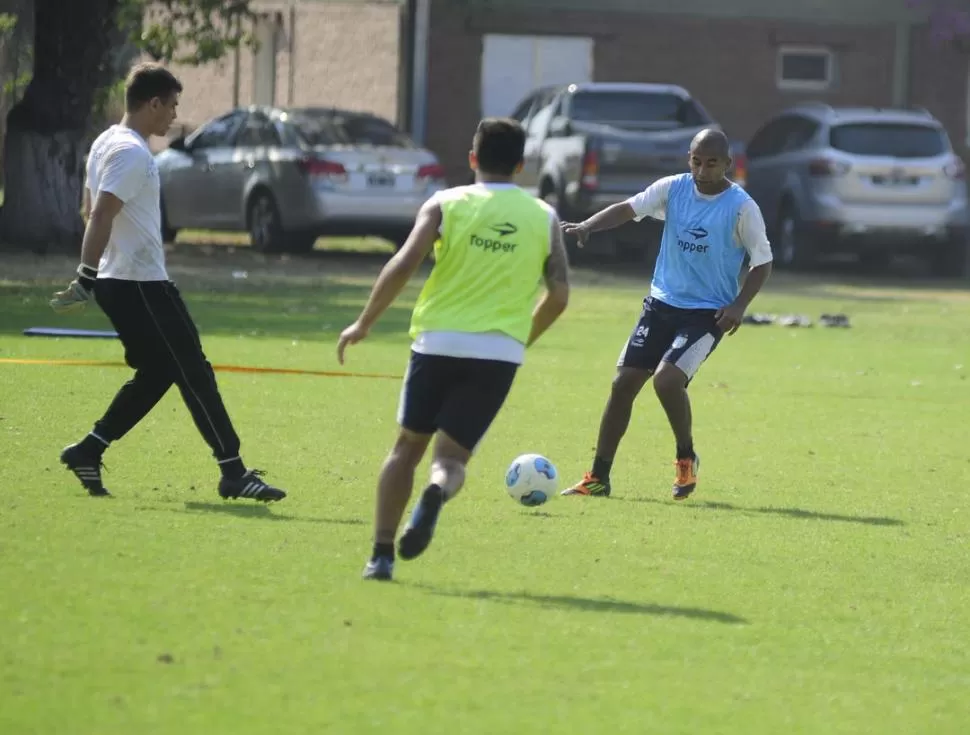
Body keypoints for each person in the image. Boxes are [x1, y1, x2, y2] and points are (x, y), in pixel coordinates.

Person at [337, 117, 570, 581]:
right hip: (498, 355)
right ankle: (437, 493)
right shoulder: (543, 216)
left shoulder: (445, 203)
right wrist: (519, 338)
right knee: (450, 462)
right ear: (521, 166)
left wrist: (364, 322)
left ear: (471, 159)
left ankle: (380, 556)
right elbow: (560, 295)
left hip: (437, 342)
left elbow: (404, 262)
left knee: (406, 449)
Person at [50, 62, 286, 503]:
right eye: (171, 105)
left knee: (160, 370)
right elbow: (99, 214)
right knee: (194, 371)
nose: (174, 116)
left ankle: (89, 449)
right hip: (140, 283)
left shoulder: (105, 142)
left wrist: (95, 274)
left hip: (122, 281)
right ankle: (233, 472)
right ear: (152, 103)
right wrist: (85, 274)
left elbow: (89, 210)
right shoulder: (131, 152)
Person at [560, 128, 772, 500]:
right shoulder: (673, 188)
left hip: (707, 314)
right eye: (696, 161)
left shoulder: (742, 207)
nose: (702, 170)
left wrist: (739, 305)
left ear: (728, 164)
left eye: (711, 163)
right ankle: (598, 477)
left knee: (667, 381)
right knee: (623, 383)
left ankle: (685, 458)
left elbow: (763, 262)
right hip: (661, 304)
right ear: (689, 158)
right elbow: (629, 207)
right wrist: (588, 226)